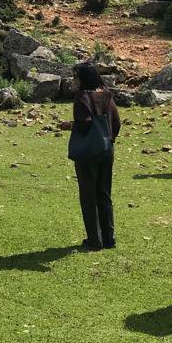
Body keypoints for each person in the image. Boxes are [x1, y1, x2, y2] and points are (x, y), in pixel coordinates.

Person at [66, 63, 122, 250]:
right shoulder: (106, 94)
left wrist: (70, 125)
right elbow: (117, 122)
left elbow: (84, 123)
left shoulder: (82, 96)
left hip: (88, 153)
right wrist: (109, 139)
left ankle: (94, 240)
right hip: (106, 150)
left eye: (76, 77)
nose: (74, 81)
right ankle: (109, 238)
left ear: (83, 78)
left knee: (88, 195)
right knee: (104, 194)